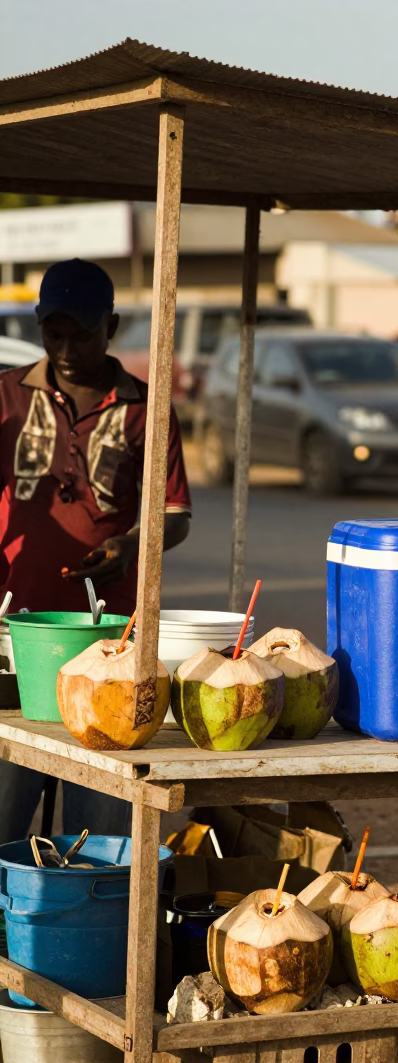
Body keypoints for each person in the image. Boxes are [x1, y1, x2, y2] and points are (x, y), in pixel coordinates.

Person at [0, 258, 192, 840]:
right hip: (13, 633)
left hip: (108, 636)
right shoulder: (6, 399)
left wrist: (131, 544)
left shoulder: (146, 409)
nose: (65, 348)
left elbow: (176, 516)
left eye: (80, 334)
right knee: (6, 804)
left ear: (111, 326)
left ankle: (88, 924)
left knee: (99, 822)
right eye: (53, 334)